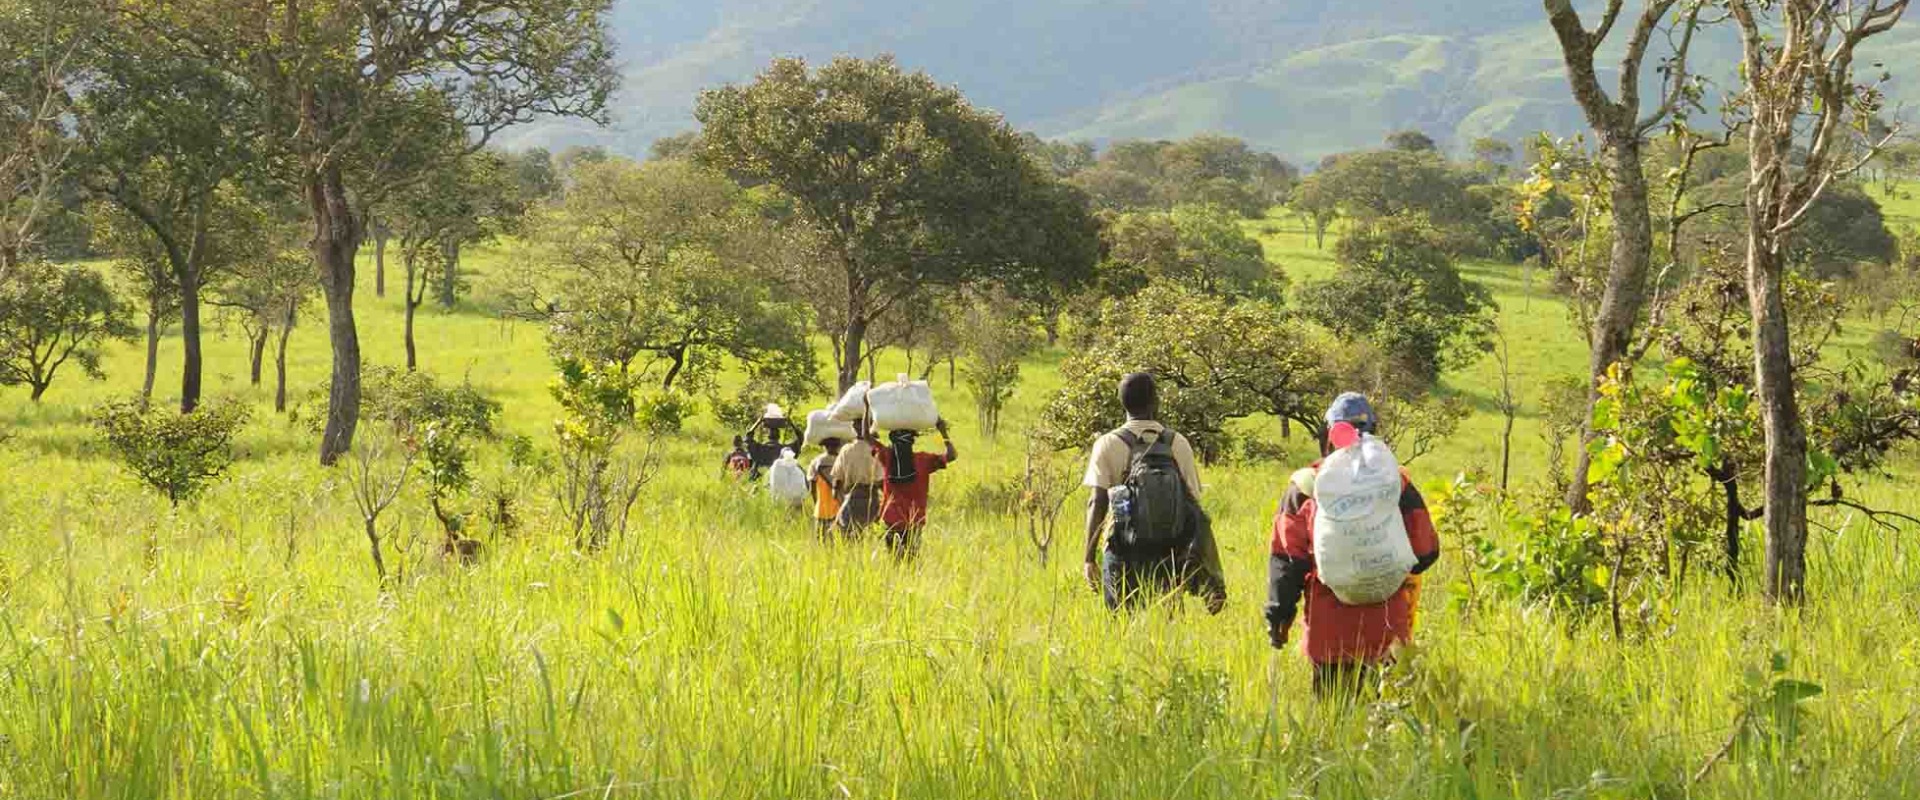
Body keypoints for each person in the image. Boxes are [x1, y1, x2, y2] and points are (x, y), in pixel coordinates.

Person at [1265, 393, 1441, 697]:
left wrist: (1278, 618)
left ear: (1329, 435)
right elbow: (1426, 552)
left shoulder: (1306, 485)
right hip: (1389, 635)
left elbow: (1287, 561)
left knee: (1334, 727)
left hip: (1328, 635)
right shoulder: (1396, 483)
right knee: (1385, 730)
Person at [1081, 372, 1226, 613]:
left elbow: (1097, 502)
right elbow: (1193, 502)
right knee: (1167, 626)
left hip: (1121, 549)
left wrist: (1089, 558)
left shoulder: (1107, 444)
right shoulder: (1177, 443)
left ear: (1122, 402)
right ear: (1155, 402)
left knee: (1121, 625)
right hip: (1170, 552)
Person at [872, 419, 957, 560]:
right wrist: (943, 432)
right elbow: (951, 455)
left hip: (891, 521)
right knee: (911, 562)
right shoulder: (923, 460)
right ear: (912, 443)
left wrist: (868, 410)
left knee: (894, 561)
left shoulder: (887, 457)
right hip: (914, 522)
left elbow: (866, 437)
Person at [833, 420, 886, 538]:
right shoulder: (876, 450)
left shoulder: (846, 450)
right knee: (874, 538)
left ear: (854, 428)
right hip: (873, 501)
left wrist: (842, 504)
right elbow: (882, 482)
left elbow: (836, 485)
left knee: (848, 540)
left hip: (852, 500)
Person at [808, 438, 845, 540]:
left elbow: (812, 488)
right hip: (840, 506)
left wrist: (816, 503)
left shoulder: (816, 462)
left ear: (824, 446)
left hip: (822, 508)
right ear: (838, 446)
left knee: (821, 539)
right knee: (840, 540)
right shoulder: (843, 460)